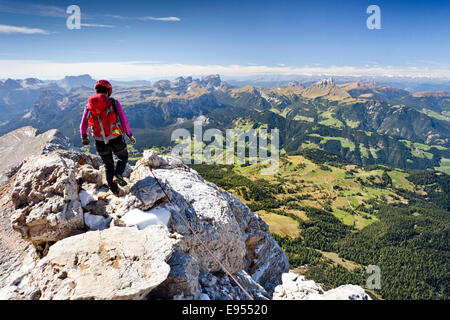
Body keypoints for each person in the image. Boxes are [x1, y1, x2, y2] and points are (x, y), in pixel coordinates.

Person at [80, 80, 136, 196]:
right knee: (122, 157)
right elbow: (124, 120)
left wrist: (84, 137)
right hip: (116, 138)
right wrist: (129, 135)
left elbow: (83, 124)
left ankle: (115, 191)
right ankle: (118, 175)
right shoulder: (113, 103)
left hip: (99, 140)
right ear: (108, 91)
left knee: (108, 165)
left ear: (96, 90)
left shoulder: (89, 106)